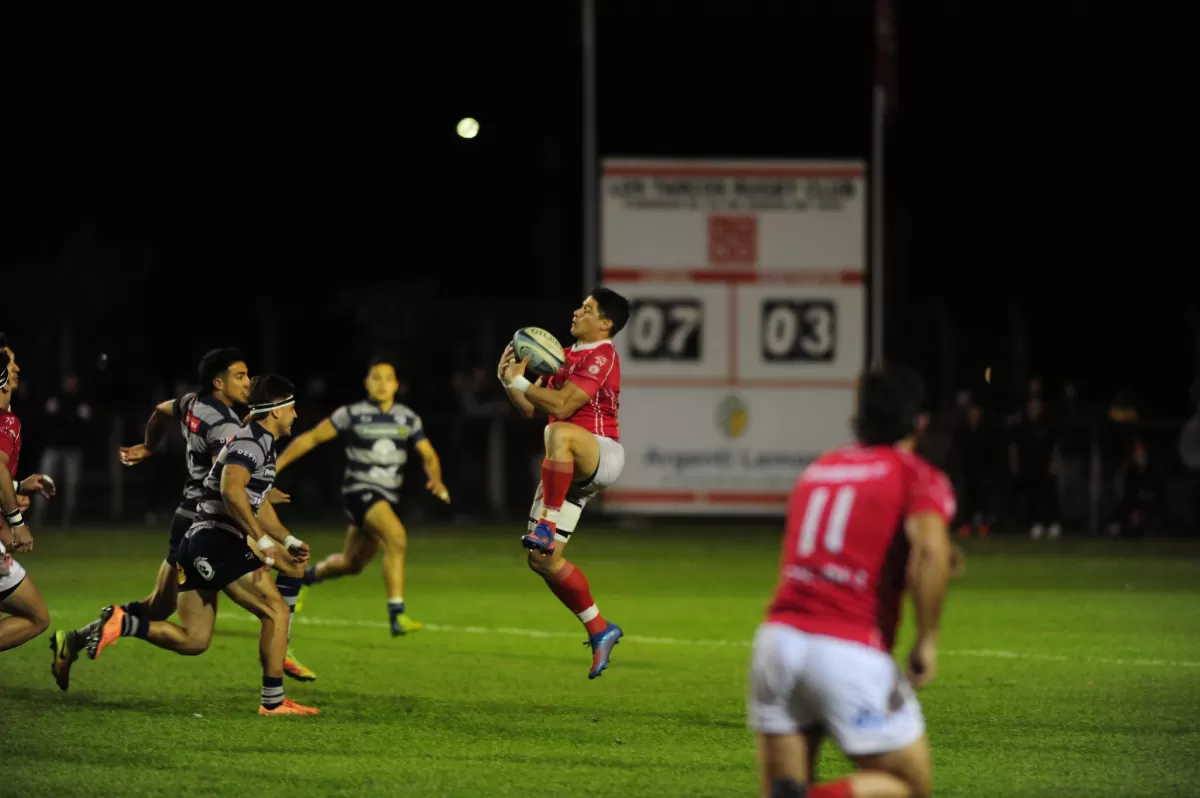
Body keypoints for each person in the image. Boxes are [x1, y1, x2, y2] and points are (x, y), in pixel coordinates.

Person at [748, 365, 956, 798]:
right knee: (908, 785)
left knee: (784, 786)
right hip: (847, 648)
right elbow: (930, 552)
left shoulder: (821, 468)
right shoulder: (913, 472)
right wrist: (928, 639)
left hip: (777, 641)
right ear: (919, 421)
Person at [50, 348, 313, 687]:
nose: (248, 383)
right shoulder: (227, 426)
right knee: (280, 578)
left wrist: (148, 445)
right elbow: (230, 486)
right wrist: (261, 521)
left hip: (186, 517)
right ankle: (280, 651)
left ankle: (75, 639)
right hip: (209, 522)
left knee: (159, 609)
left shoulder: (192, 402)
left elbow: (161, 411)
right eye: (240, 376)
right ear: (219, 383)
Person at [498, 288, 630, 679]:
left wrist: (526, 386)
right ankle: (599, 627)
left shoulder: (602, 355)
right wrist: (509, 379)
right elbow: (529, 407)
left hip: (600, 454)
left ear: (605, 323)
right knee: (542, 560)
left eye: (587, 309)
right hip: (567, 470)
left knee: (560, 434)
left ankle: (546, 523)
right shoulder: (567, 357)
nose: (577, 311)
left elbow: (562, 407)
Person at [276, 357, 450, 637]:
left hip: (384, 498)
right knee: (396, 537)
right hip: (360, 492)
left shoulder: (407, 417)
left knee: (351, 563)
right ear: (366, 383)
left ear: (396, 385)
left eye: (387, 378)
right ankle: (397, 615)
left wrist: (436, 478)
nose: (381, 384)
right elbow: (312, 438)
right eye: (376, 378)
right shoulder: (352, 414)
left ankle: (303, 579)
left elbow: (428, 454)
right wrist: (277, 466)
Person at [0, 339, 58, 654]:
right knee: (37, 616)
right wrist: (17, 521)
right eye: (9, 362)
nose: (16, 368)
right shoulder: (5, 421)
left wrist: (18, 486)